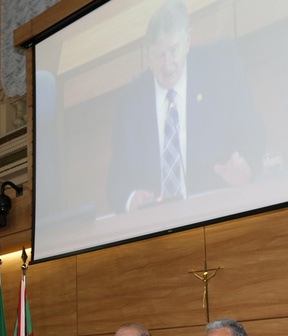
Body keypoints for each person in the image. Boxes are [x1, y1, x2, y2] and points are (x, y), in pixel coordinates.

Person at [106, 0, 266, 213]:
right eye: (160, 55)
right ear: (148, 58)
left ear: (187, 42)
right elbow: (116, 179)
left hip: (218, 210)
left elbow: (251, 127)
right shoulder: (130, 101)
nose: (168, 65)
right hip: (159, 222)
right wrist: (131, 199)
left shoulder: (219, 67)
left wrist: (247, 168)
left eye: (174, 50)